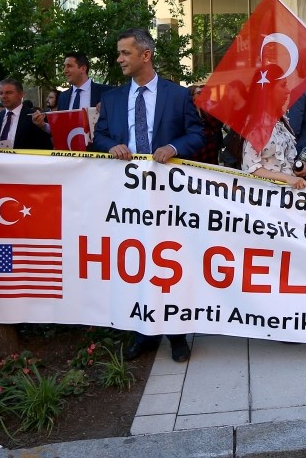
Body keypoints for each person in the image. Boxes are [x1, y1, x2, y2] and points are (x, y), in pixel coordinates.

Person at [90, 28, 204, 362]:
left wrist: (173, 146)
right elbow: (99, 137)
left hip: (170, 197)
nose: (119, 59)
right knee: (138, 261)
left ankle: (178, 334)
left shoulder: (178, 95)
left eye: (125, 53)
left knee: (171, 262)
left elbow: (196, 135)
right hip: (128, 198)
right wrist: (111, 145)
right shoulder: (111, 99)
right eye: (119, 53)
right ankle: (145, 332)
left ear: (145, 55)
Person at [0, 78, 52, 150]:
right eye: (1, 93)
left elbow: (46, 146)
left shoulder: (36, 117)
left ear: (20, 94)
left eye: (8, 93)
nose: (3, 96)